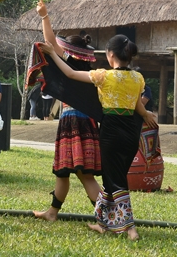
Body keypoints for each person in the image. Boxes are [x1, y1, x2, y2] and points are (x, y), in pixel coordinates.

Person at [41, 35, 157, 240]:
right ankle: (104, 223)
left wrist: (51, 53)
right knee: (113, 177)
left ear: (111, 55)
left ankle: (130, 229)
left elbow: (70, 74)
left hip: (111, 130)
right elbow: (138, 106)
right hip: (130, 132)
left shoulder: (104, 76)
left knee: (115, 179)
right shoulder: (138, 79)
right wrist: (146, 115)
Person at [32, 1, 102, 222]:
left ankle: (108, 217)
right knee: (67, 172)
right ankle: (52, 212)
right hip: (88, 123)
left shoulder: (69, 67)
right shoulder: (91, 75)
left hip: (72, 121)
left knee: (76, 174)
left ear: (69, 52)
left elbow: (50, 42)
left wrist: (44, 16)